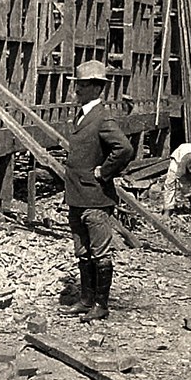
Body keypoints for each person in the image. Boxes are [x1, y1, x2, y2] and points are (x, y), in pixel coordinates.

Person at [62, 61, 134, 323]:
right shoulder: (81, 114)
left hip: (95, 197)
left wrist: (104, 172)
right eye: (77, 85)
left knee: (100, 252)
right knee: (82, 251)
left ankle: (101, 305)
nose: (76, 90)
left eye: (81, 85)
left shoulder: (103, 117)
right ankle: (85, 299)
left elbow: (124, 149)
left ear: (96, 87)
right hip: (77, 196)